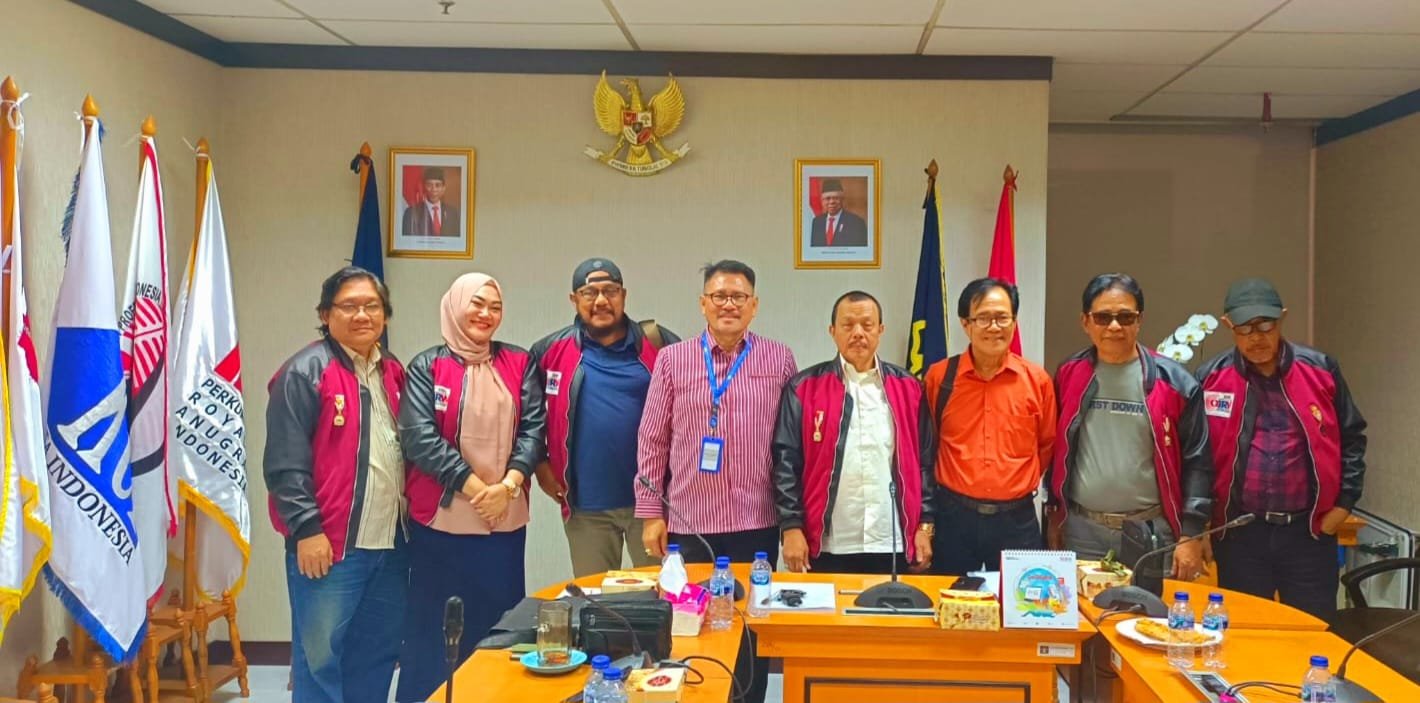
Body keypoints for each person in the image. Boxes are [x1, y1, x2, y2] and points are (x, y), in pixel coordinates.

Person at [635, 260, 795, 703]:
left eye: (738, 297)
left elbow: (790, 442)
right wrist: (650, 513)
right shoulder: (673, 360)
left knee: (749, 627)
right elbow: (652, 439)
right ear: (703, 303)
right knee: (690, 626)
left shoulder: (778, 358)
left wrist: (793, 519)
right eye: (719, 296)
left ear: (754, 305)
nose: (729, 305)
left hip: (756, 521)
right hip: (690, 521)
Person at [395, 273, 545, 702]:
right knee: (431, 630)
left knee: (498, 629)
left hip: (503, 523)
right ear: (455, 305)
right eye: (476, 303)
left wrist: (509, 486)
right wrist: (481, 490)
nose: (485, 314)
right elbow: (420, 439)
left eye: (495, 307)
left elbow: (534, 430)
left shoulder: (519, 362)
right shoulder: (426, 367)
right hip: (440, 525)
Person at [264, 266, 406, 703]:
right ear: (325, 315)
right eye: (349, 306)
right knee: (320, 662)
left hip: (390, 546)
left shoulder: (392, 371)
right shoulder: (304, 372)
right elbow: (285, 464)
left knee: (376, 655)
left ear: (385, 314)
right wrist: (307, 529)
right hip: (330, 548)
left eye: (372, 306)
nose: (362, 315)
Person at [1196, 278, 1366, 619]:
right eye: (1245, 328)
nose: (1256, 337)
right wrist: (1199, 525)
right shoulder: (1210, 378)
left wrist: (1344, 505)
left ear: (1282, 319)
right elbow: (1197, 458)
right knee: (1244, 633)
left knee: (1312, 633)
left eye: (1265, 325)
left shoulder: (1321, 370)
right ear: (1228, 325)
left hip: (1308, 534)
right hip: (1240, 535)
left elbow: (1352, 438)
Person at [1046, 273, 1213, 582]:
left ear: (1139, 321)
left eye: (1125, 317)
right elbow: (1056, 449)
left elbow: (1198, 462)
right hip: (1082, 532)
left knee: (1150, 612)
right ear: (1085, 322)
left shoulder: (1175, 383)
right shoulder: (1069, 374)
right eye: (1103, 317)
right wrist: (1054, 511)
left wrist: (1191, 533)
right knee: (1085, 614)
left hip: (1151, 532)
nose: (1114, 326)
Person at [531, 257, 680, 577]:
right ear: (574, 299)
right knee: (594, 598)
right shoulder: (549, 351)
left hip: (653, 505)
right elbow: (527, 418)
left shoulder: (659, 344)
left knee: (662, 595)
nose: (601, 300)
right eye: (590, 292)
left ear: (623, 295)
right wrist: (540, 465)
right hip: (586, 507)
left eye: (610, 291)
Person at [773, 290, 934, 574]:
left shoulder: (909, 388)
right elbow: (785, 463)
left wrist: (925, 526)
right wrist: (791, 526)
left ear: (881, 330)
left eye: (867, 325)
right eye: (848, 325)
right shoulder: (804, 388)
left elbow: (925, 462)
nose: (858, 333)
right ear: (832, 331)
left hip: (892, 540)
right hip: (827, 543)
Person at [926, 278, 1056, 575]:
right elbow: (928, 443)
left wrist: (1010, 483)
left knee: (1023, 598)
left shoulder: (1036, 381)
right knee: (950, 598)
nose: (994, 327)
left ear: (1014, 321)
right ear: (965, 324)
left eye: (1002, 318)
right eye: (983, 318)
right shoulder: (940, 378)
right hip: (953, 517)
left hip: (1016, 520)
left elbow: (1046, 445)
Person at [401, 166, 459, 237]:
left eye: (438, 185)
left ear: (443, 188)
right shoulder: (411, 213)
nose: (433, 189)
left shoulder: (452, 213)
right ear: (424, 187)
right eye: (429, 185)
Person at [808, 179, 868, 247]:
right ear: (822, 201)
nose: (831, 202)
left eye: (836, 198)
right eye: (827, 198)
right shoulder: (816, 222)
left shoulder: (856, 223)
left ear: (842, 199)